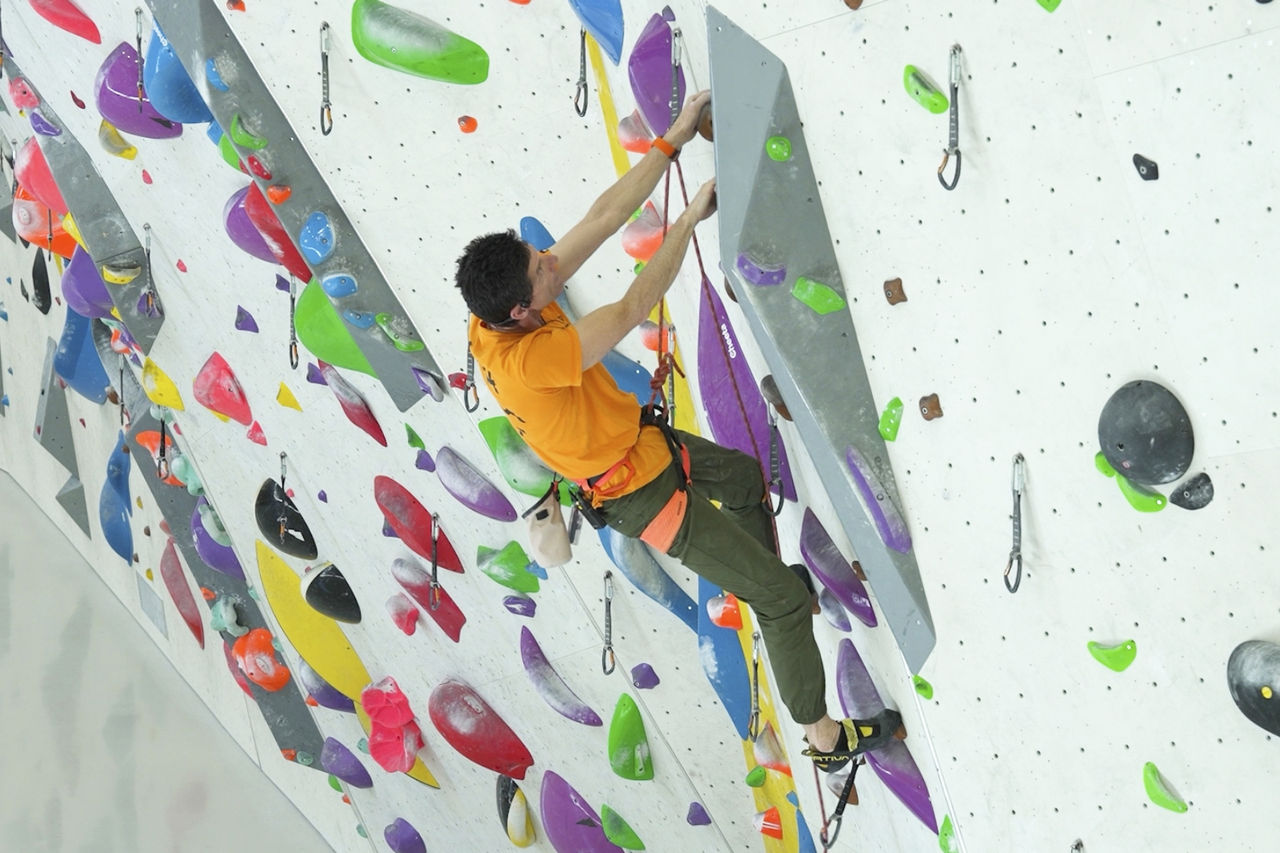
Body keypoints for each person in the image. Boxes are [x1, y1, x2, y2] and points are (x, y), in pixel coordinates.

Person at [454, 91, 902, 770]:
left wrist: (674, 137)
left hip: (640, 448)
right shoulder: (530, 358)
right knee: (782, 602)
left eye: (538, 255)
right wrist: (689, 219)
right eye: (543, 268)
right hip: (637, 492)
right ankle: (825, 739)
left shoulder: (502, 308)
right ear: (523, 309)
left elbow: (602, 219)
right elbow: (636, 302)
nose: (552, 261)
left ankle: (763, 588)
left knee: (748, 480)